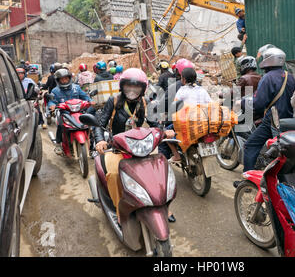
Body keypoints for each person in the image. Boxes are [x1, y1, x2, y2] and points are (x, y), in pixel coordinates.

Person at [93, 68, 176, 223]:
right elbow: (99, 123)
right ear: (122, 87)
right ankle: (119, 210)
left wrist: (165, 131)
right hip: (117, 147)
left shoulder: (145, 103)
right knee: (113, 175)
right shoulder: (114, 101)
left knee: (161, 170)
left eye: (136, 88)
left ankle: (163, 206)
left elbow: (153, 122)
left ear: (142, 89)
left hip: (141, 147)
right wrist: (100, 140)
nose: (131, 91)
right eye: (128, 87)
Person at [240, 47, 295, 174]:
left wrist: (242, 102)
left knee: (250, 145)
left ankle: (248, 178)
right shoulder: (290, 76)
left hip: (272, 120)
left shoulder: (267, 77)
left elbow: (258, 104)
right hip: (289, 120)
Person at [167, 67, 212, 163]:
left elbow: (174, 107)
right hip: (203, 122)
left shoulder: (182, 91)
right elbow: (210, 104)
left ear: (183, 79)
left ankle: (176, 155)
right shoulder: (201, 90)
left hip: (188, 123)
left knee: (167, 132)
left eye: (181, 78)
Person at [48, 68, 94, 155]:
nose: (64, 80)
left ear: (69, 78)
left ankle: (91, 145)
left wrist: (90, 100)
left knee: (88, 125)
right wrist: (52, 105)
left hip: (78, 112)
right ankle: (58, 144)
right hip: (65, 113)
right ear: (58, 80)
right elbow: (52, 100)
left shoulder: (76, 88)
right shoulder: (55, 91)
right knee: (60, 125)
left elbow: (84, 96)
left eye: (66, 78)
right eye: (62, 79)